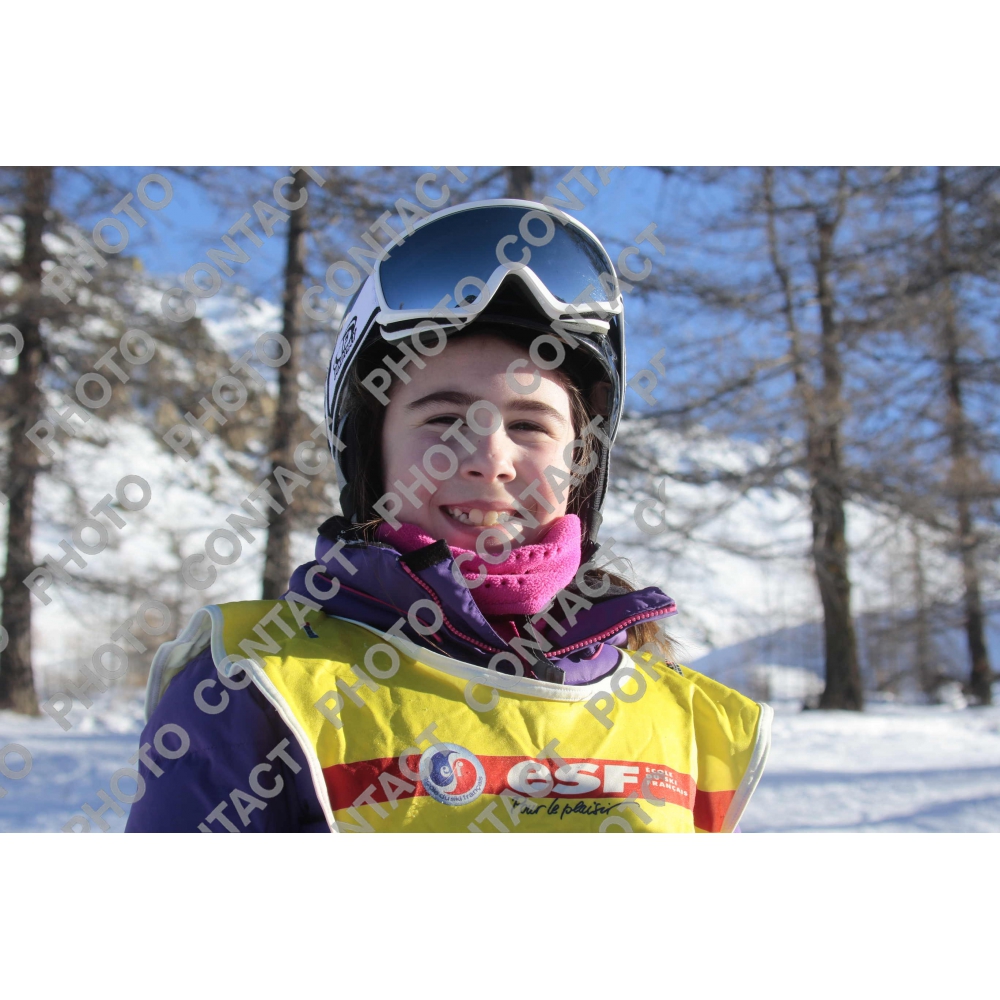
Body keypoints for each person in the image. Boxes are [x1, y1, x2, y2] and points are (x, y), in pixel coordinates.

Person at [126, 199, 771, 833]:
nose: (491, 461)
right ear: (371, 455)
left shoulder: (692, 723)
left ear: (581, 463)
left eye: (530, 425)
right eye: (443, 419)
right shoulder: (256, 686)